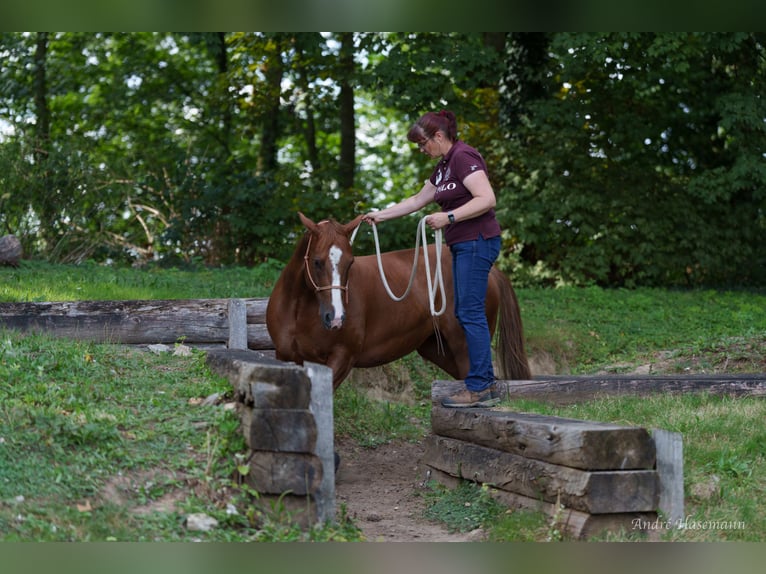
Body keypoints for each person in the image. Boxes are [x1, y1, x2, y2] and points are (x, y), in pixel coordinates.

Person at [362, 110, 502, 408]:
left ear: (439, 136)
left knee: (469, 313)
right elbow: (417, 200)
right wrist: (379, 216)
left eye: (423, 144)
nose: (421, 150)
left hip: (477, 242)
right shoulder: (444, 167)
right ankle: (483, 384)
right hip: (462, 245)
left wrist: (448, 216)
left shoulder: (464, 157)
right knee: (467, 312)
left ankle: (481, 387)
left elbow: (487, 198)